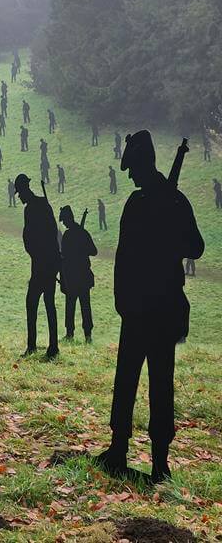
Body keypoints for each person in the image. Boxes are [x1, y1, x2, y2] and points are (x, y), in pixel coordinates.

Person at [95, 130, 204, 484]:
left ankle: (147, 457)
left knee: (140, 380)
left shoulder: (157, 203)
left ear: (145, 164)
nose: (130, 175)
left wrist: (170, 237)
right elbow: (126, 256)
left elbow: (194, 247)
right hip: (151, 307)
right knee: (152, 380)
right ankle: (139, 457)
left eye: (134, 168)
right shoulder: (160, 201)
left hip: (148, 306)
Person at [15, 173, 60, 359]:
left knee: (32, 302)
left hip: (41, 263)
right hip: (50, 261)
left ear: (25, 189)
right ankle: (53, 346)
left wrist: (34, 253)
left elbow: (30, 237)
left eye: (20, 193)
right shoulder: (43, 204)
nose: (19, 197)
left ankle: (32, 346)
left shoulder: (31, 209)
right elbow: (54, 232)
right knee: (49, 303)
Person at [59, 206, 96, 341]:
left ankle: (72, 334)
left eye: (64, 220)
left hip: (73, 277)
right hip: (81, 276)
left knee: (73, 306)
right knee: (83, 306)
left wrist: (81, 250)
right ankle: (86, 335)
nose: (63, 223)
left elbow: (93, 251)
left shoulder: (69, 235)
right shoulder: (82, 233)